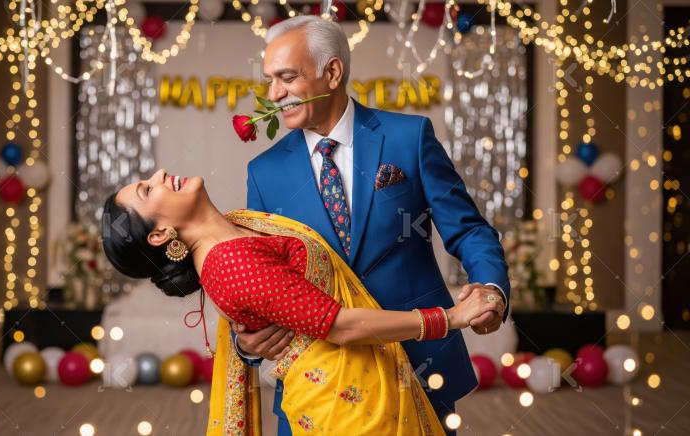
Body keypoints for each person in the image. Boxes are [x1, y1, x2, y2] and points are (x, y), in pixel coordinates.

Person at [238, 15, 511, 435]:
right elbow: (261, 284)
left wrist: (491, 289)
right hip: (317, 383)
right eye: (270, 79)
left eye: (287, 77)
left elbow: (469, 229)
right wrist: (248, 342)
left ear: (332, 72)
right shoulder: (264, 172)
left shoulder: (409, 137)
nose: (274, 93)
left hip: (419, 363)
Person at [101, 168, 505, 435]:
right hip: (344, 402)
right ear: (160, 235)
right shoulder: (228, 261)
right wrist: (450, 317)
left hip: (359, 384)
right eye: (147, 189)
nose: (159, 176)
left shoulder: (236, 229)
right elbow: (341, 325)